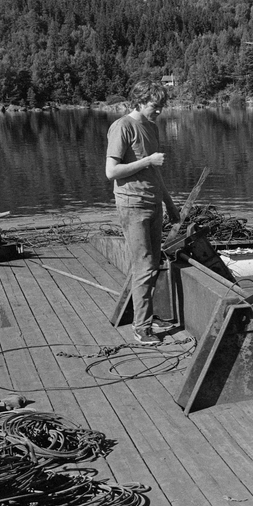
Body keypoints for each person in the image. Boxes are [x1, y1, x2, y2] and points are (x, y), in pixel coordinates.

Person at [105, 79, 179, 345]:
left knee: (154, 263)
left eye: (161, 107)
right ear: (139, 101)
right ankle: (141, 327)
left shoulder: (151, 127)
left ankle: (147, 315)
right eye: (154, 106)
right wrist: (147, 159)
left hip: (153, 203)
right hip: (132, 204)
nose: (159, 111)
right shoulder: (122, 127)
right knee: (144, 265)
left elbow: (153, 172)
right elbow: (111, 172)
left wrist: (169, 203)